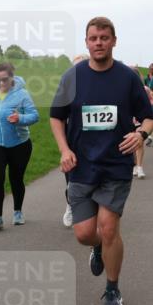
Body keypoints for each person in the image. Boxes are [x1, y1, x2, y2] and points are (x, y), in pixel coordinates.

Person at [50, 16, 153, 305]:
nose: (98, 43)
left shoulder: (128, 77)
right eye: (93, 38)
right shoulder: (73, 77)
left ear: (114, 41)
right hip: (81, 167)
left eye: (104, 38)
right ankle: (97, 248)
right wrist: (64, 149)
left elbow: (148, 117)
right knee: (85, 234)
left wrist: (140, 133)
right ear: (86, 42)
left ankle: (112, 288)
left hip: (116, 165)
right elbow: (56, 116)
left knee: (109, 229)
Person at [0, 62, 39, 231]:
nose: (1, 83)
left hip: (19, 144)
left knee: (16, 179)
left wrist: (20, 118)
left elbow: (34, 115)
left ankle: (17, 212)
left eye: (5, 79)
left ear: (12, 77)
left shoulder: (22, 94)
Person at [62, 53, 90, 228]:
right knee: (72, 179)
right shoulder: (66, 91)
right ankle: (71, 205)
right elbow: (57, 118)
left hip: (95, 142)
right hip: (72, 141)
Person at [129, 63, 150, 179]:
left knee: (139, 141)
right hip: (127, 121)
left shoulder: (145, 89)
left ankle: (140, 166)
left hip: (139, 119)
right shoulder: (120, 88)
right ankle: (134, 165)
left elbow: (151, 102)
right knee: (130, 143)